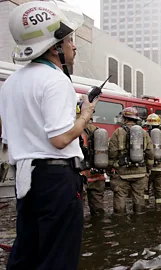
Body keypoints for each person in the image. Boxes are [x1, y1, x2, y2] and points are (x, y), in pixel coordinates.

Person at [0, 1, 97, 269]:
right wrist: (85, 114)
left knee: (26, 254)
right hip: (56, 180)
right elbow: (60, 138)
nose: (73, 46)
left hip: (25, 178)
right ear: (55, 47)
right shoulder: (56, 80)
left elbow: (8, 138)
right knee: (58, 256)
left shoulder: (11, 84)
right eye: (68, 40)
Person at [108, 107, 154, 214]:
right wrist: (148, 168)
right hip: (140, 172)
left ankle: (120, 221)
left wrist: (109, 168)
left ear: (124, 118)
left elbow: (112, 153)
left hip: (122, 172)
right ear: (136, 119)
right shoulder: (143, 132)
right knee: (139, 197)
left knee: (120, 196)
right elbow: (150, 152)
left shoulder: (118, 132)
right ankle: (139, 220)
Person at [76, 105, 106, 217]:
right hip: (97, 174)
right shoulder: (99, 131)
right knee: (98, 210)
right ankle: (100, 229)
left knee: (79, 209)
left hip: (81, 175)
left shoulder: (74, 130)